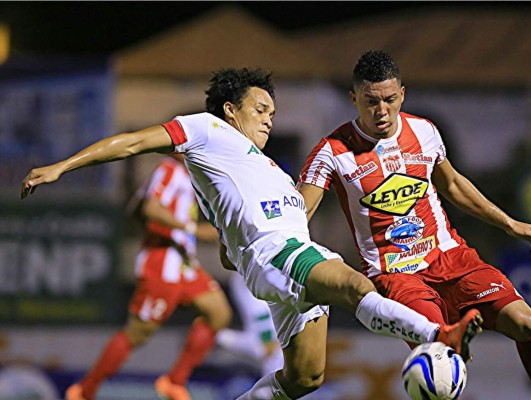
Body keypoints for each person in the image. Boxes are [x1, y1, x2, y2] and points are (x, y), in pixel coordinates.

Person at [21, 67, 482, 400]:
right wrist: (63, 166)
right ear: (229, 109)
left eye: (273, 112)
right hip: (279, 255)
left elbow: (226, 250)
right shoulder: (208, 131)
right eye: (260, 108)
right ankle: (437, 334)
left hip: (284, 258)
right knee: (353, 284)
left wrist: (231, 244)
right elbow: (134, 143)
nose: (269, 119)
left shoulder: (268, 171)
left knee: (305, 378)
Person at [297, 50, 531, 400]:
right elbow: (299, 212)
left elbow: (453, 184)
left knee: (527, 324)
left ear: (402, 95)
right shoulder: (332, 151)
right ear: (354, 99)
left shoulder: (424, 131)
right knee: (442, 351)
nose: (381, 111)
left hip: (450, 257)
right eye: (370, 102)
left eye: (389, 100)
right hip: (396, 276)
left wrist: (508, 223)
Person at [65, 154, 232, 400]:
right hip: (161, 267)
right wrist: (193, 229)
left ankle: (174, 381)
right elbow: (151, 208)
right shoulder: (170, 169)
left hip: (185, 265)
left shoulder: (190, 176)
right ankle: (84, 391)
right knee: (137, 333)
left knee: (219, 313)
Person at [216, 271, 284, 376]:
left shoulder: (258, 349)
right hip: (271, 279)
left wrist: (217, 335)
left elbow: (225, 338)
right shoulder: (293, 336)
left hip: (246, 282)